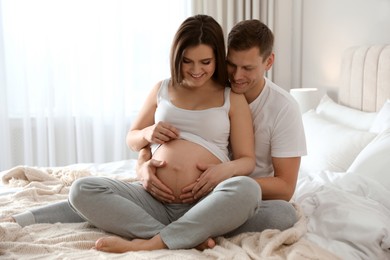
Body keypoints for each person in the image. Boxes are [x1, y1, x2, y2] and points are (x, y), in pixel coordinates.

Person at [1, 15, 261, 252]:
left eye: (205, 62)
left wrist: (221, 172)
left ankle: (152, 242)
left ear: (218, 58)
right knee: (82, 190)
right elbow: (132, 138)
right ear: (176, 57)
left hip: (205, 199)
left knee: (250, 191)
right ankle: (178, 235)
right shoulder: (162, 89)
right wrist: (148, 135)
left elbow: (247, 160)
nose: (196, 70)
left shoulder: (231, 98)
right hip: (153, 199)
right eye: (187, 61)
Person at [128, 19, 307, 250]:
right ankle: (191, 231)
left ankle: (174, 231)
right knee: (75, 199)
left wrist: (224, 181)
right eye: (231, 64)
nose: (237, 75)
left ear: (269, 62)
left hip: (236, 196)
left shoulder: (283, 108)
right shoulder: (209, 87)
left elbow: (285, 187)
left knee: (283, 215)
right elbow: (150, 135)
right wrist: (142, 162)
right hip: (176, 196)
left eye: (248, 68)